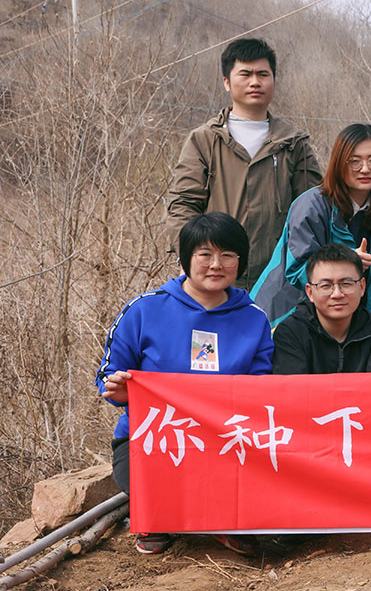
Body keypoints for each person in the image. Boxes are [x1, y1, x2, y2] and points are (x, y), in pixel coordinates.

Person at [97, 213, 273, 555]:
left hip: (225, 440)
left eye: (227, 255)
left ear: (240, 262)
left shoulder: (254, 318)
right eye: (205, 254)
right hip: (154, 438)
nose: (216, 264)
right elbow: (109, 372)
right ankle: (159, 517)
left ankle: (222, 520)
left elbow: (261, 387)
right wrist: (118, 391)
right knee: (141, 477)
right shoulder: (144, 310)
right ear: (185, 259)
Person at [165, 38, 322, 290]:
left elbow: (313, 208)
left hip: (278, 280)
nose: (255, 82)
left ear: (273, 80)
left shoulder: (293, 143)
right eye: (245, 74)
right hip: (216, 274)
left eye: (263, 74)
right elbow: (183, 205)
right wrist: (190, 256)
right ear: (227, 82)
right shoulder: (205, 140)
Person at [251, 124, 371, 323]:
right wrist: (346, 264)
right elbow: (297, 271)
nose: (365, 169)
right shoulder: (311, 205)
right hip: (286, 316)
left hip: (341, 320)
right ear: (338, 163)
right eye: (355, 161)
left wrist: (370, 323)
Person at [271, 244, 371, 374]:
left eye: (346, 284)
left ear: (362, 287)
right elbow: (291, 385)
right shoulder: (291, 333)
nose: (337, 294)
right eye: (326, 286)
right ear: (310, 292)